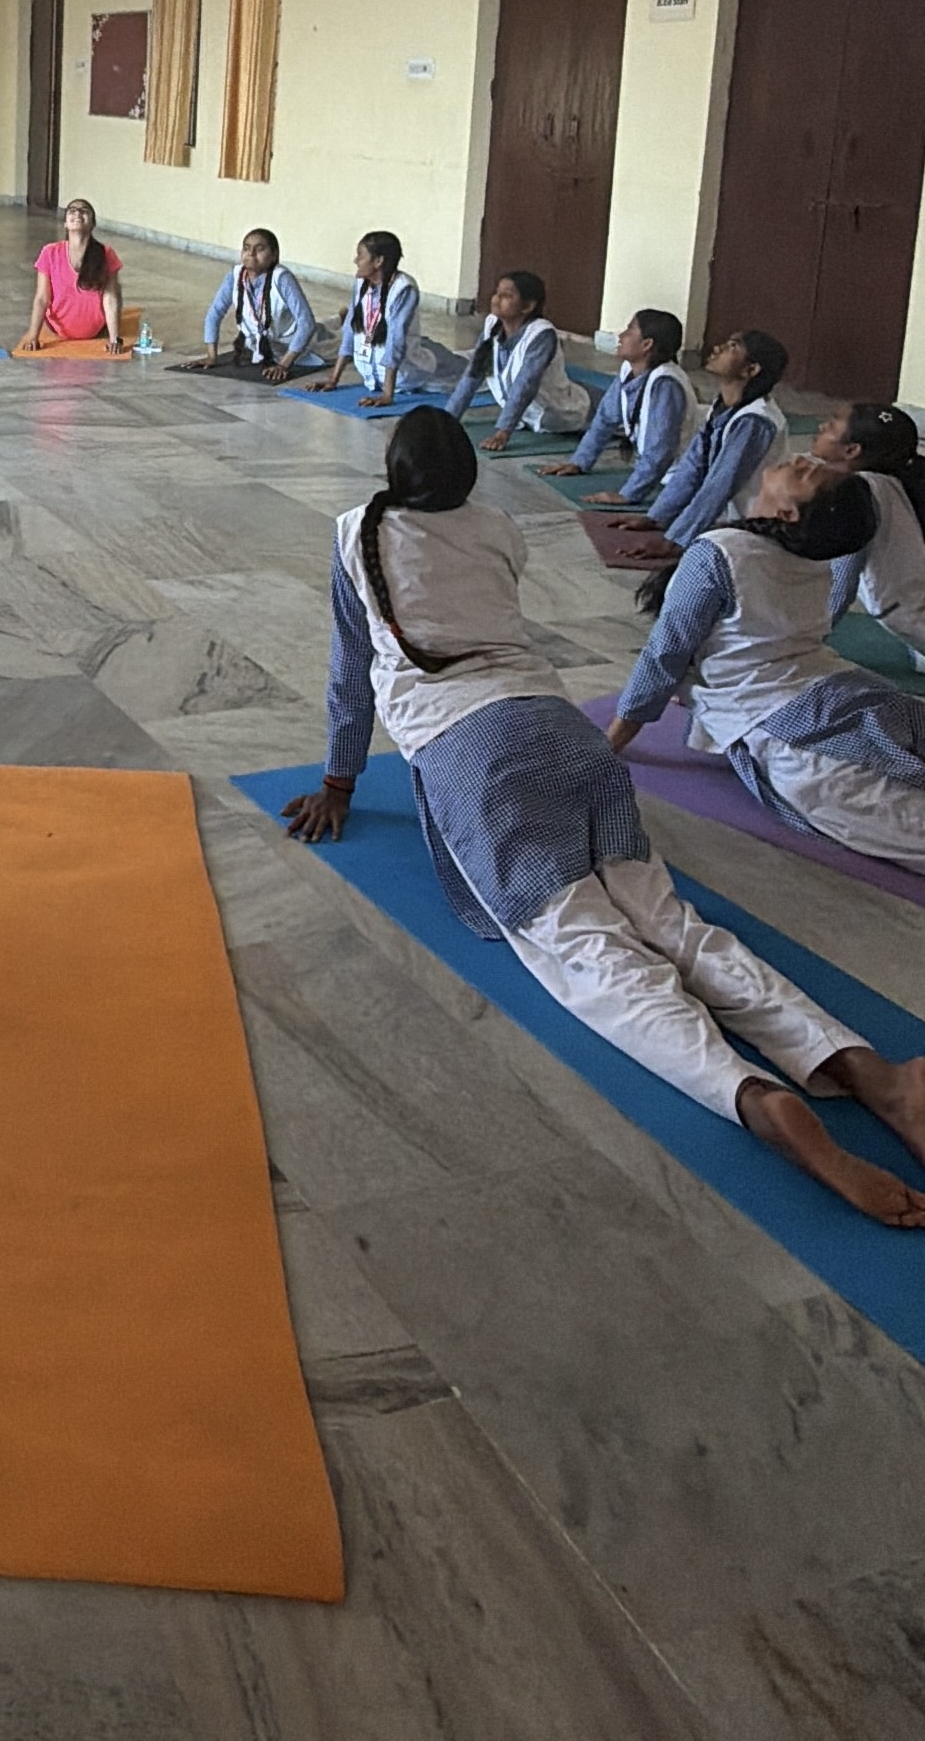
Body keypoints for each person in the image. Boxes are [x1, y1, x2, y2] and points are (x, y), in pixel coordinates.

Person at [283, 413, 925, 1226]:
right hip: (562, 732)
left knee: (582, 942)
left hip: (476, 754)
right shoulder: (499, 527)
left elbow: (351, 676)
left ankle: (748, 1093)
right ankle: (865, 1068)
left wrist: (340, 781)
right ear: (470, 476)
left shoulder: (354, 533)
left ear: (390, 467)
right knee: (671, 920)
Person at [611, 460, 925, 873]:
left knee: (881, 811)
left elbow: (665, 654)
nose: (803, 459)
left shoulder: (719, 553)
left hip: (779, 713)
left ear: (789, 513)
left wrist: (614, 738)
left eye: (809, 473)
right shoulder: (809, 547)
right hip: (842, 688)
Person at [594, 329, 790, 566]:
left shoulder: (755, 421)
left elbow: (719, 485)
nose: (718, 348)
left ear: (751, 370)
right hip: (737, 515)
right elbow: (693, 466)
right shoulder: (723, 406)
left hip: (762, 524)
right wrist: (657, 517)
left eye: (732, 347)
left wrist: (675, 541)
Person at [539, 309, 697, 504]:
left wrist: (629, 494)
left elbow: (660, 449)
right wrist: (579, 461)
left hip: (677, 476)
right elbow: (605, 419)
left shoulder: (665, 385)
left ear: (647, 345)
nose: (621, 336)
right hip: (657, 473)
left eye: (629, 331)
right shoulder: (628, 369)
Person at [811, 402, 925, 665]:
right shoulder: (890, 480)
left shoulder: (860, 491)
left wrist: (806, 642)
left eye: (832, 422)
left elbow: (842, 582)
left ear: (852, 450)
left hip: (910, 612)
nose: (821, 427)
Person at [446, 269, 591, 452]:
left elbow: (525, 384)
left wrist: (503, 432)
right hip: (530, 416)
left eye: (507, 296)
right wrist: (449, 418)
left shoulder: (540, 334)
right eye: (497, 293)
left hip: (563, 413)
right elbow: (473, 374)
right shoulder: (492, 325)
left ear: (528, 306)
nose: (496, 299)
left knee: (617, 419)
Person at [315, 231, 461, 411]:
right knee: (439, 350)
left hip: (404, 374)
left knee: (465, 366)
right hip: (372, 375)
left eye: (360, 255)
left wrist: (387, 394)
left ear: (378, 261)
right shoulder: (361, 284)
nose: (356, 261)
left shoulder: (404, 288)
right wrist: (333, 379)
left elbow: (396, 339)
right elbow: (350, 331)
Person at [181, 229, 318, 382]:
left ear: (274, 255)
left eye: (260, 249)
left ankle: (339, 317)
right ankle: (338, 317)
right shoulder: (236, 275)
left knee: (330, 341)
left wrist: (284, 365)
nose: (251, 253)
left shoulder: (282, 279)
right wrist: (211, 356)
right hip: (265, 344)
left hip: (293, 343)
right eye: (246, 248)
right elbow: (215, 313)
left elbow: (307, 323)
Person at [16, 198, 127, 355]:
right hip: (59, 327)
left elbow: (110, 298)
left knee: (115, 288)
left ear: (93, 224)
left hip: (95, 329)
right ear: (65, 224)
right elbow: (42, 298)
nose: (78, 213)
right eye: (72, 210)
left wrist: (114, 339)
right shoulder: (50, 252)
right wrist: (33, 336)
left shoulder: (106, 254)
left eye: (84, 210)